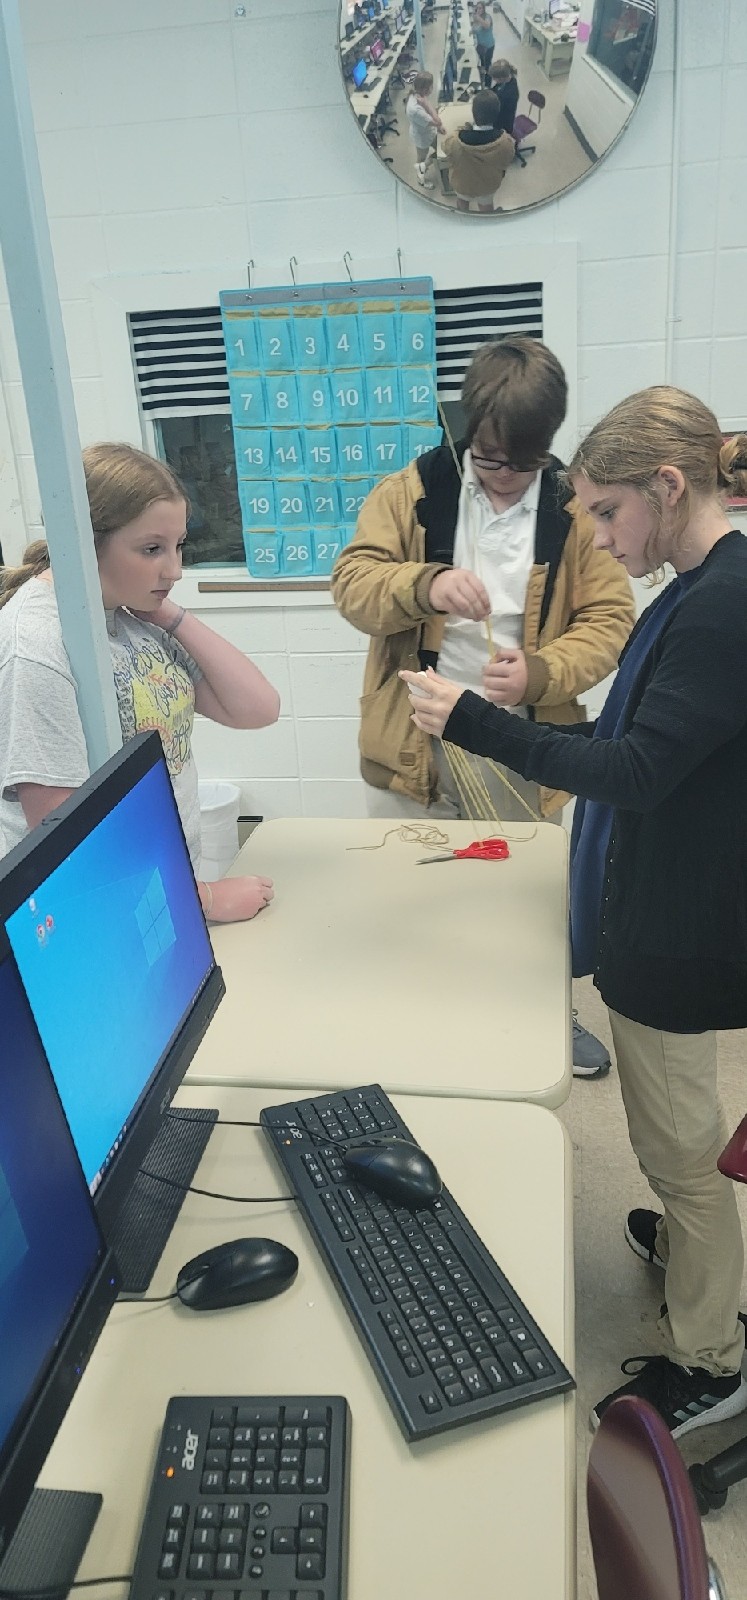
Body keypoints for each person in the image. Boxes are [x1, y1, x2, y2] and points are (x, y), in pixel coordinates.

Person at [400, 386, 747, 1439]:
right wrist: (530, 705)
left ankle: (715, 1356)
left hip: (681, 932)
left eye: (605, 512)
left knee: (683, 1147)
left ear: (668, 486)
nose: (596, 534)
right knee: (663, 1132)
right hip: (663, 894)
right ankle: (694, 1246)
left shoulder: (725, 603)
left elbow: (636, 773)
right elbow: (642, 730)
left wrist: (477, 722)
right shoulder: (693, 588)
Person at [331, 336, 634, 1077]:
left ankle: (541, 1018)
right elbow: (352, 584)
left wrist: (538, 673)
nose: (505, 480)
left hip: (523, 742)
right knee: (416, 899)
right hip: (415, 739)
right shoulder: (412, 491)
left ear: (548, 447)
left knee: (524, 904)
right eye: (492, 460)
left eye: (524, 465)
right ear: (469, 432)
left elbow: (609, 621)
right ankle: (426, 1028)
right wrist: (424, 584)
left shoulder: (571, 505)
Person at [0, 443, 280, 923]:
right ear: (83, 542)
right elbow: (62, 834)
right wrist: (204, 899)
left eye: (178, 547)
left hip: (160, 885)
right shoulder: (36, 644)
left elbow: (257, 707)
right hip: (89, 909)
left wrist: (170, 614)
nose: (174, 569)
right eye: (152, 549)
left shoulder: (132, 617)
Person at [442, 89, 515, 213]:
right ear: (497, 113)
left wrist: (463, 130)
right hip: (487, 186)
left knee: (462, 203)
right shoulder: (506, 142)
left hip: (462, 184)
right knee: (486, 208)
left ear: (473, 112)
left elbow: (445, 149)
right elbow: (505, 162)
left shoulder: (455, 140)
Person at [405, 71, 445, 188]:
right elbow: (437, 121)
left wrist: (438, 128)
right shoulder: (416, 108)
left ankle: (425, 167)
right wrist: (427, 105)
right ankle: (421, 178)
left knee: (441, 150)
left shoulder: (418, 95)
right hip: (422, 137)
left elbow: (432, 119)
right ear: (425, 88)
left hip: (428, 131)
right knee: (421, 159)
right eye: (431, 86)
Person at [489, 58, 519, 139]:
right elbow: (495, 89)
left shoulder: (508, 93)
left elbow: (496, 110)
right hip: (502, 116)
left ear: (501, 78)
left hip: (503, 125)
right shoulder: (508, 80)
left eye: (494, 78)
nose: (493, 80)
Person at [472, 2, 495, 83]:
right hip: (481, 45)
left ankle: (488, 83)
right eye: (477, 8)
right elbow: (474, 29)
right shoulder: (476, 18)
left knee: (487, 64)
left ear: (484, 9)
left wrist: (478, 18)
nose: (478, 10)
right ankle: (483, 79)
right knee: (482, 63)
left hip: (488, 45)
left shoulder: (487, 17)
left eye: (480, 8)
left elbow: (487, 25)